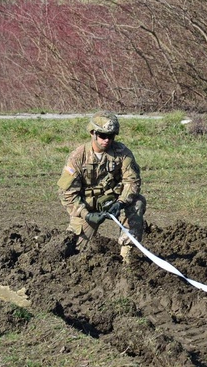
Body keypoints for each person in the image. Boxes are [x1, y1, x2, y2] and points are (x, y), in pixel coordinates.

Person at [58, 111, 145, 263]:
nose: (107, 140)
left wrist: (121, 202)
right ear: (93, 133)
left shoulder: (122, 153)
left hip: (115, 202)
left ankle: (127, 256)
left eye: (111, 136)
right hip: (87, 207)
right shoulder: (78, 157)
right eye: (102, 136)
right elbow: (67, 193)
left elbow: (132, 182)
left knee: (137, 202)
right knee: (73, 250)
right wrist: (86, 214)